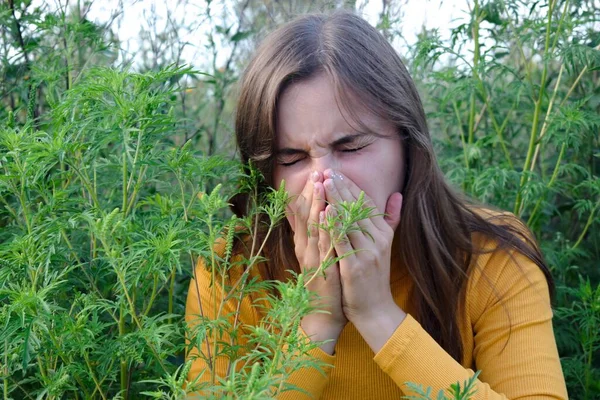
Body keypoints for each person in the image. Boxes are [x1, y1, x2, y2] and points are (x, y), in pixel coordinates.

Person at [185, 10, 568, 399]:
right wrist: (316, 324)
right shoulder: (230, 268)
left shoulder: (491, 256)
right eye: (292, 159)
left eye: (350, 147)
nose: (324, 179)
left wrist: (378, 315)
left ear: (406, 143)